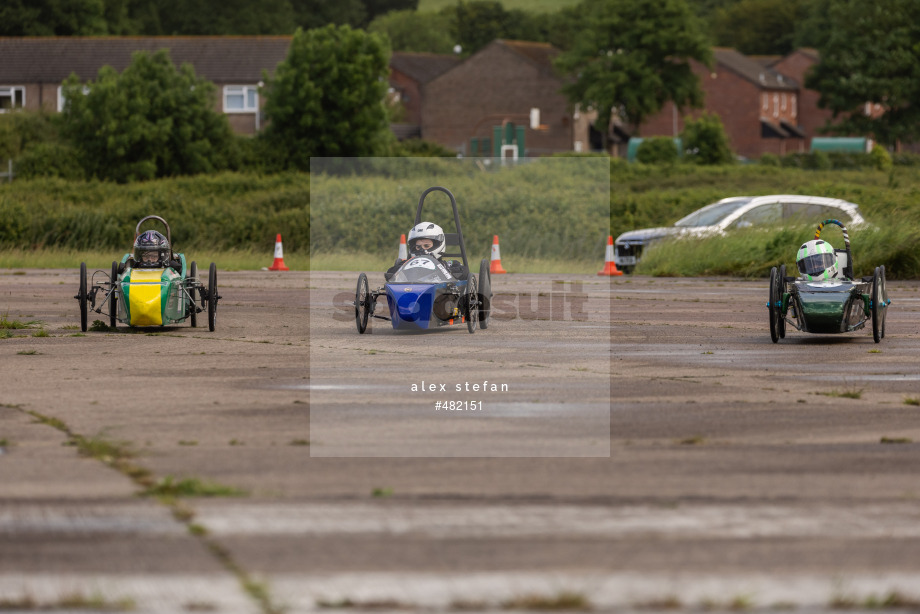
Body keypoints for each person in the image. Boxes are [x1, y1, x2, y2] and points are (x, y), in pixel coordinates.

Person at [386, 222, 468, 280]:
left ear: (438, 245)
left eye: (426, 246)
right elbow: (389, 273)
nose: (422, 250)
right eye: (418, 247)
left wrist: (447, 270)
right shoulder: (406, 264)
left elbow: (464, 272)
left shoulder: (448, 264)